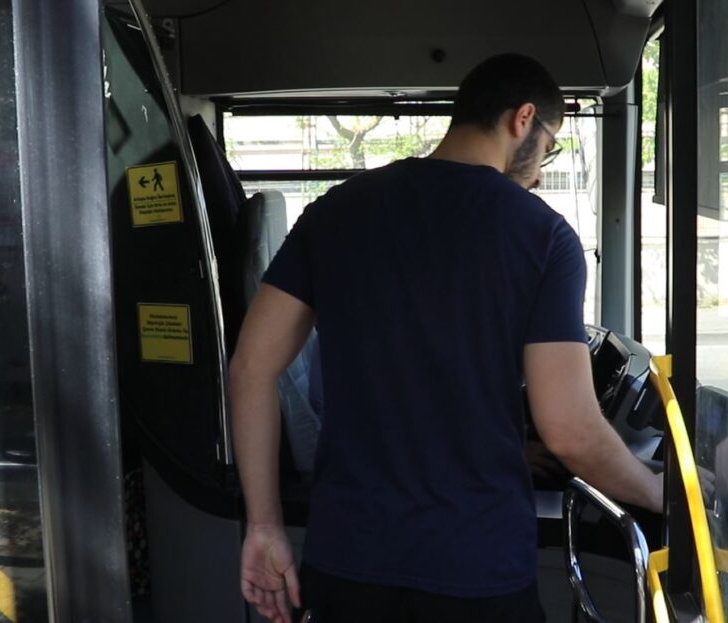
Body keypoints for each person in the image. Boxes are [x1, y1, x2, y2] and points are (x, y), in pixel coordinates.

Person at [229, 53, 664, 623]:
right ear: (523, 119)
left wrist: (263, 526)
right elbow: (571, 430)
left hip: (348, 561)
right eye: (548, 147)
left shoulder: (335, 211)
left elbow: (251, 370)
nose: (539, 172)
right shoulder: (543, 237)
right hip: (476, 568)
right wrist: (658, 492)